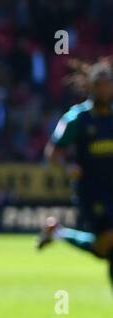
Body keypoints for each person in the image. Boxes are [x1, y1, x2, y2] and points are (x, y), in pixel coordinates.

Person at [38, 58, 113, 291]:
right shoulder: (77, 119)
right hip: (91, 191)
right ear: (90, 87)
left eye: (107, 84)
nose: (103, 89)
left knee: (104, 250)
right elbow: (52, 153)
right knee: (110, 239)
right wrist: (67, 168)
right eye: (99, 85)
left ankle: (57, 232)